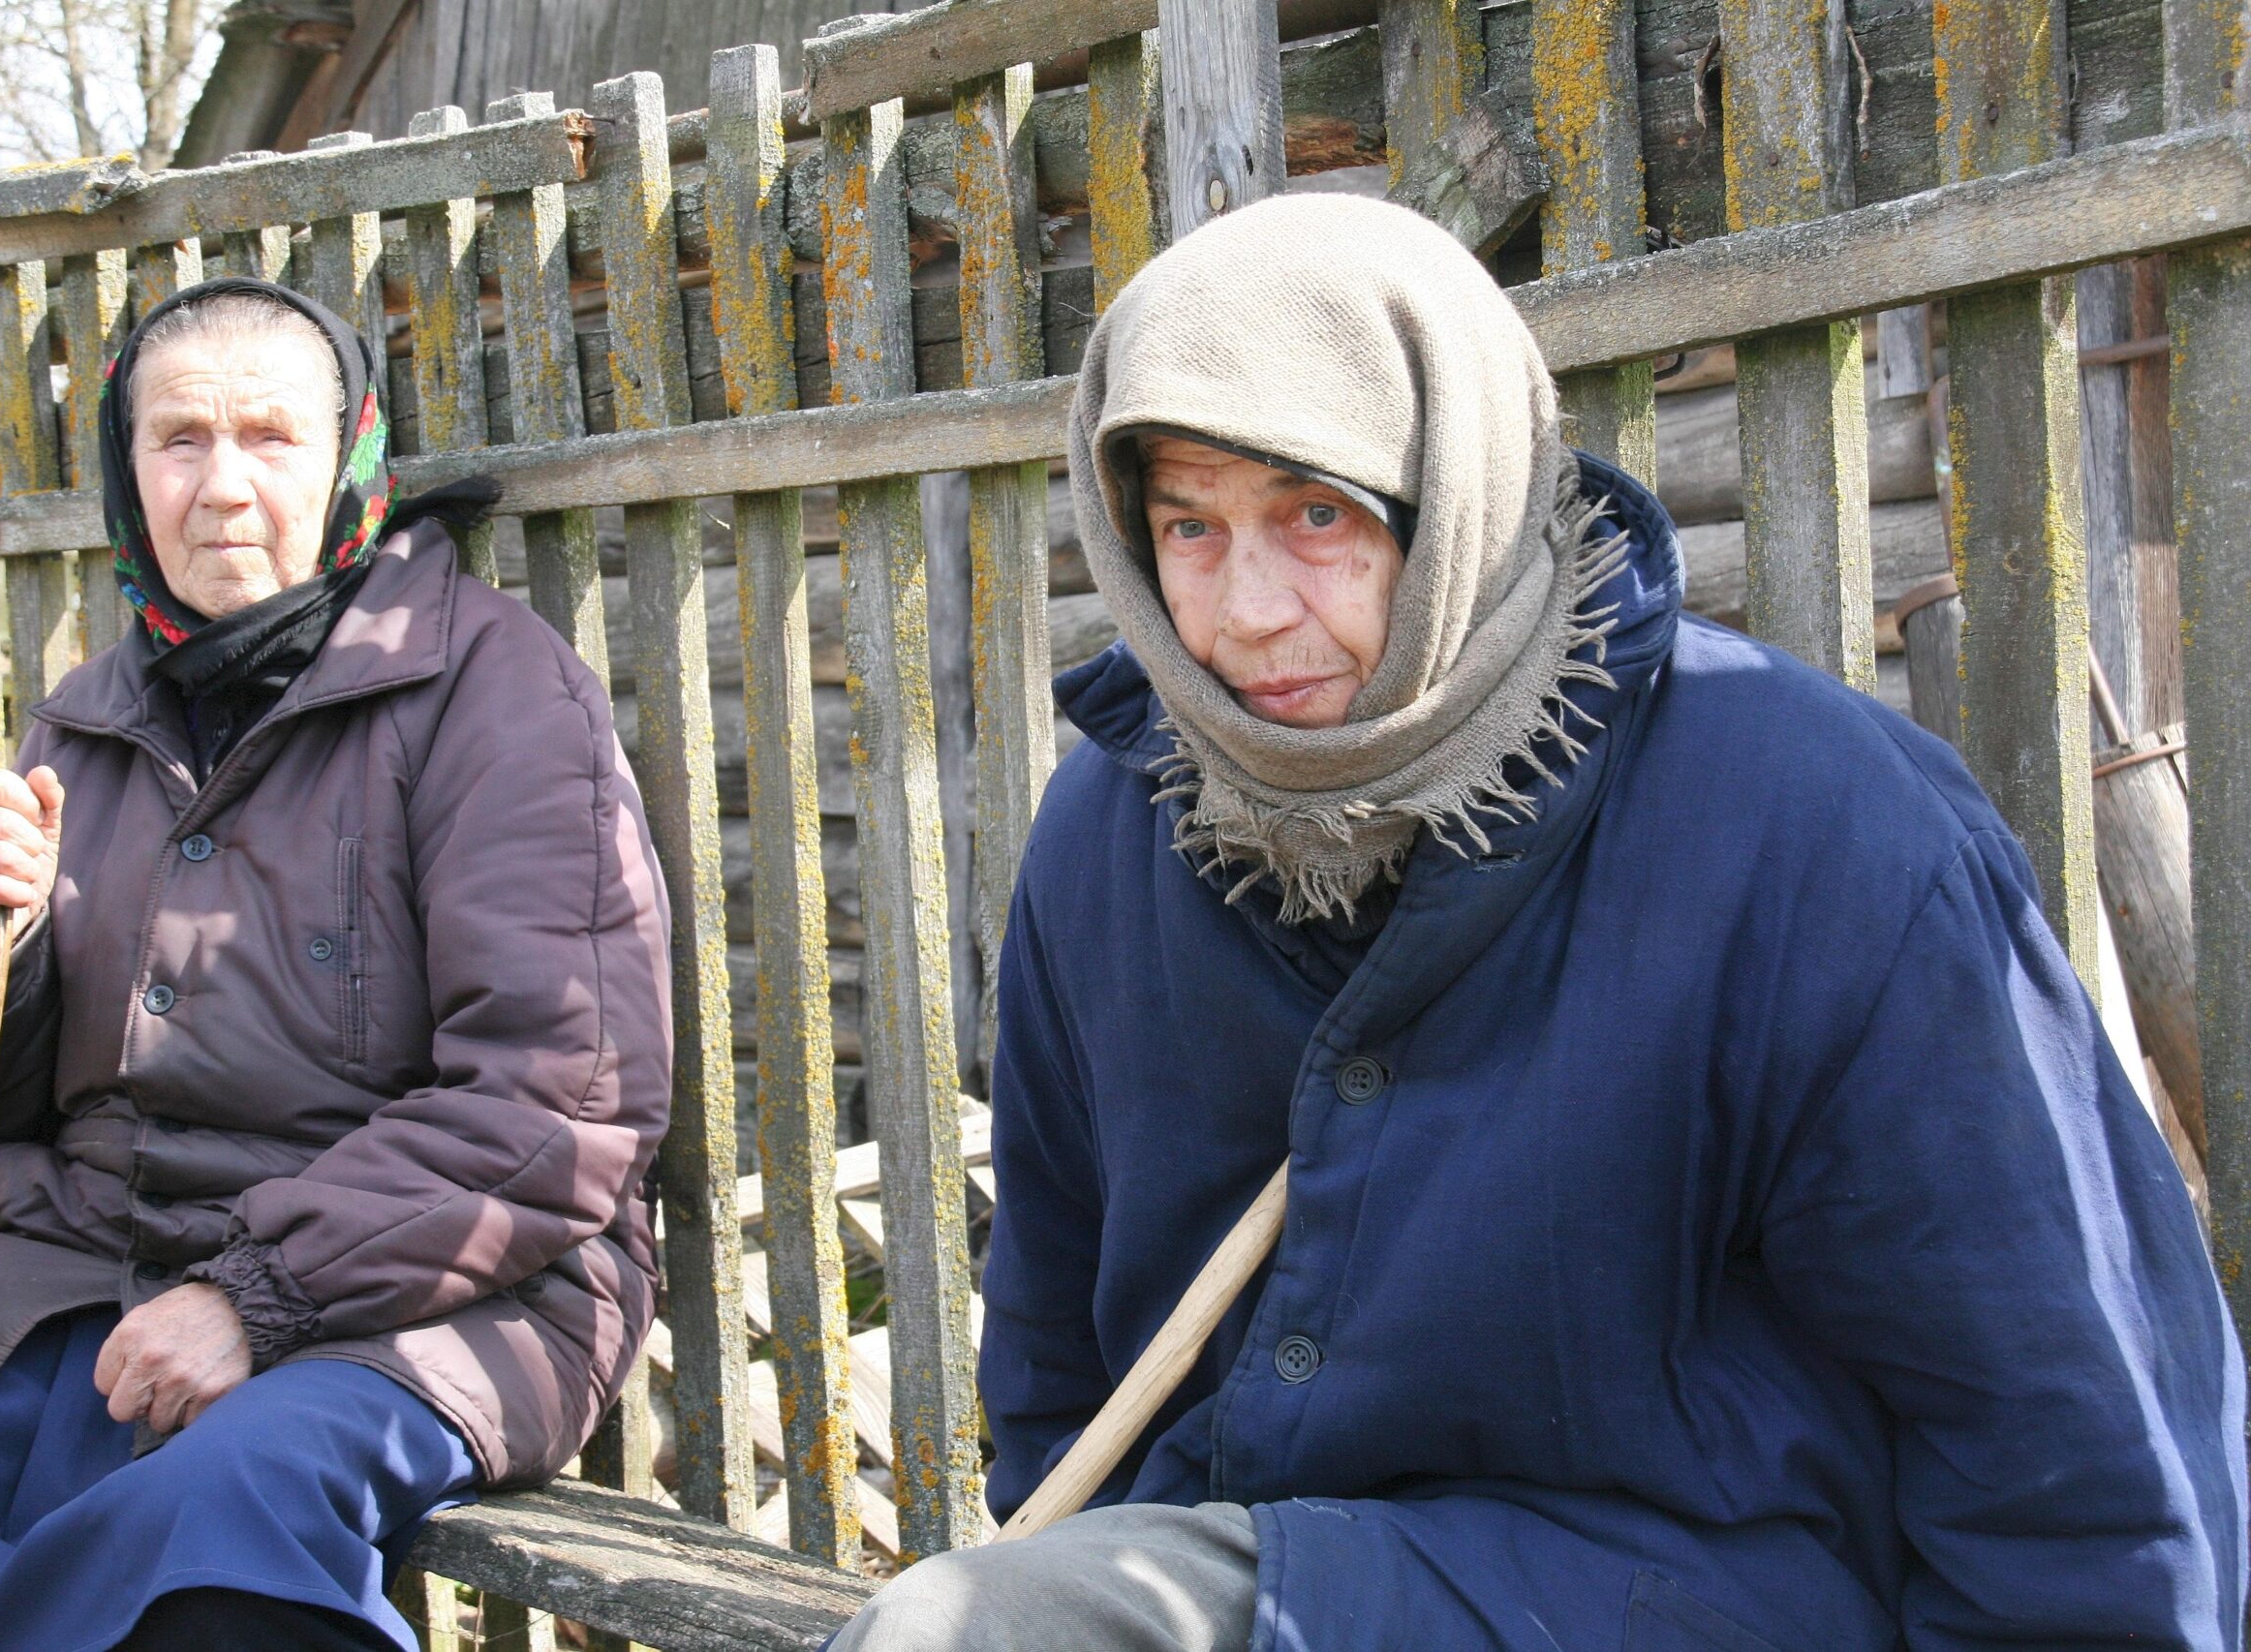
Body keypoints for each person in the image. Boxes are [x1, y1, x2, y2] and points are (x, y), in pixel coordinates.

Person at [831, 195, 2246, 1650]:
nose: (1246, 610)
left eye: (1318, 515)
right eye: (1190, 526)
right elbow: (1056, 1354)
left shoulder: (1818, 834)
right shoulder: (1111, 837)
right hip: (1249, 1584)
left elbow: (2065, 1435)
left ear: (1461, 495)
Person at [0, 278, 673, 1652]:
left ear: (351, 462)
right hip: (71, 1268)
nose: (224, 488)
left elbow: (557, 1101)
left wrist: (253, 1299)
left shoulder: (497, 695)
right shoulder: (86, 723)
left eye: (272, 438)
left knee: (207, 1555)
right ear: (129, 476)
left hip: (430, 1294)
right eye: (180, 440)